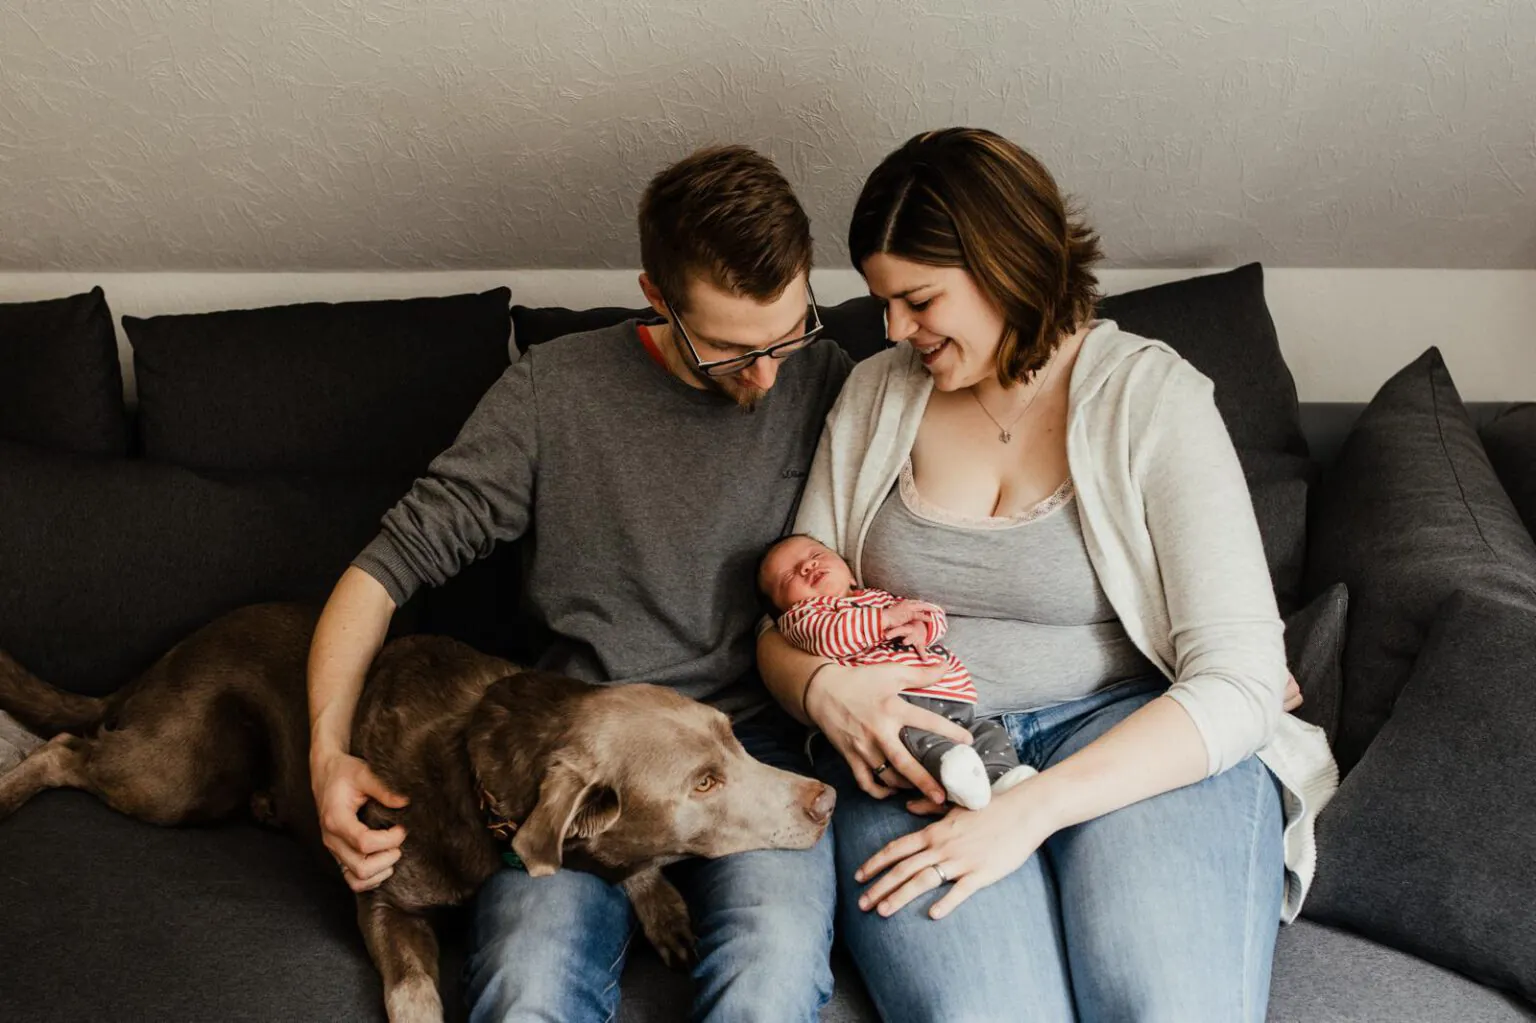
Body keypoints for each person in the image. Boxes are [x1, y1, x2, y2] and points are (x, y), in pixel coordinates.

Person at [304, 145, 946, 1023]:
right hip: (583, 770)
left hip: (756, 748)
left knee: (771, 980)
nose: (766, 376)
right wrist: (324, 752)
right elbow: (382, 572)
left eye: (787, 334)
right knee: (526, 987)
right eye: (729, 350)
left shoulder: (828, 376)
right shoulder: (550, 395)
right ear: (655, 296)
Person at [758, 128, 1338, 1023]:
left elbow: (1245, 679)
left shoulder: (1153, 398)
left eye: (917, 300)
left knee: (1167, 1005)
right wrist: (828, 689)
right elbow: (787, 617)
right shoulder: (875, 396)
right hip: (923, 747)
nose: (895, 330)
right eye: (883, 305)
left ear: (1004, 265)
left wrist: (1029, 814)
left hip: (1129, 737)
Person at [761, 532, 1035, 809]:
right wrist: (884, 619)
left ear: (851, 575)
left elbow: (929, 613)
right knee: (922, 743)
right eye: (788, 577)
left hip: (951, 697)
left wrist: (921, 628)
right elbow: (829, 637)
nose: (807, 567)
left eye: (816, 555)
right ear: (783, 612)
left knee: (987, 734)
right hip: (895, 703)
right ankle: (957, 782)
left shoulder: (878, 597)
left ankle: (1000, 779)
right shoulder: (805, 619)